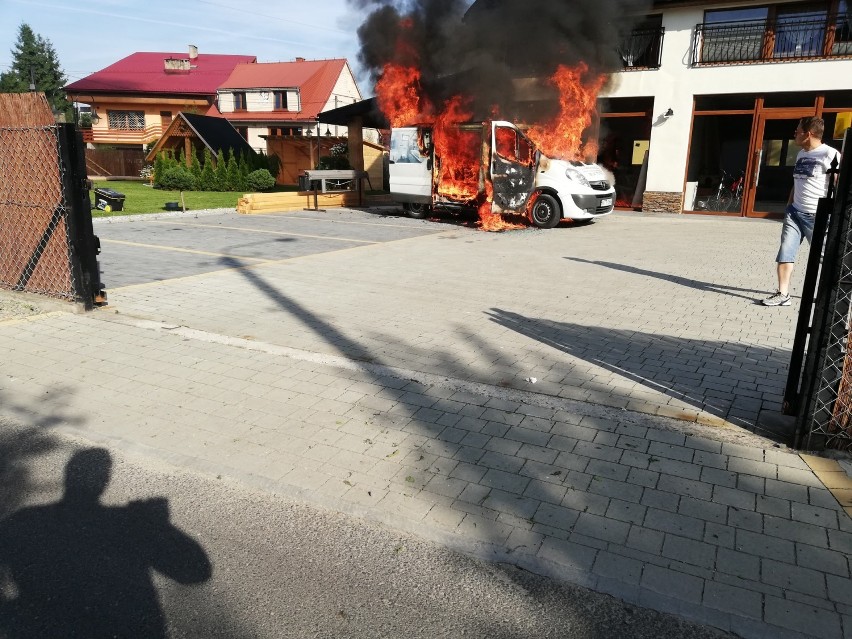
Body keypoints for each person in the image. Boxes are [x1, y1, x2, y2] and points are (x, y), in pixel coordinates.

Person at [762, 116, 841, 306]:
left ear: (809, 134)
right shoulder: (801, 154)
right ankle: (783, 294)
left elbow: (840, 185)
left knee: (825, 258)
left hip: (817, 216)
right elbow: (797, 182)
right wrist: (789, 206)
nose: (795, 135)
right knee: (786, 252)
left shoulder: (830, 155)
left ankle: (835, 297)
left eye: (797, 131)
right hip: (794, 213)